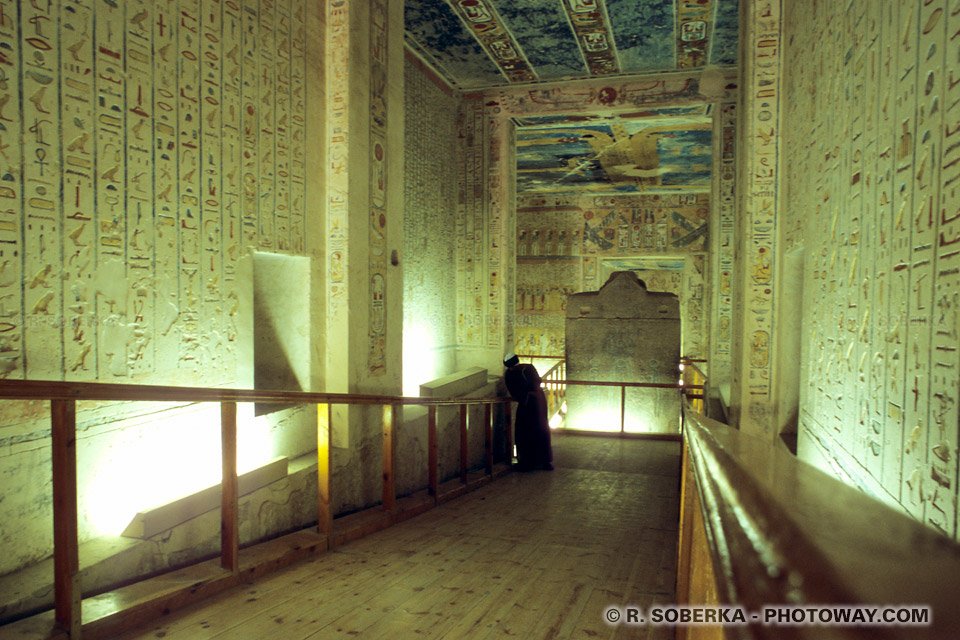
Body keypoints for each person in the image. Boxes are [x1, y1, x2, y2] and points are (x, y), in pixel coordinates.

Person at [503, 354, 553, 471]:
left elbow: (519, 390)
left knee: (531, 431)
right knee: (535, 431)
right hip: (534, 404)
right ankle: (536, 461)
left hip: (531, 405)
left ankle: (531, 462)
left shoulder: (514, 372)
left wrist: (527, 394)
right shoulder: (527, 368)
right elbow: (534, 384)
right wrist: (529, 393)